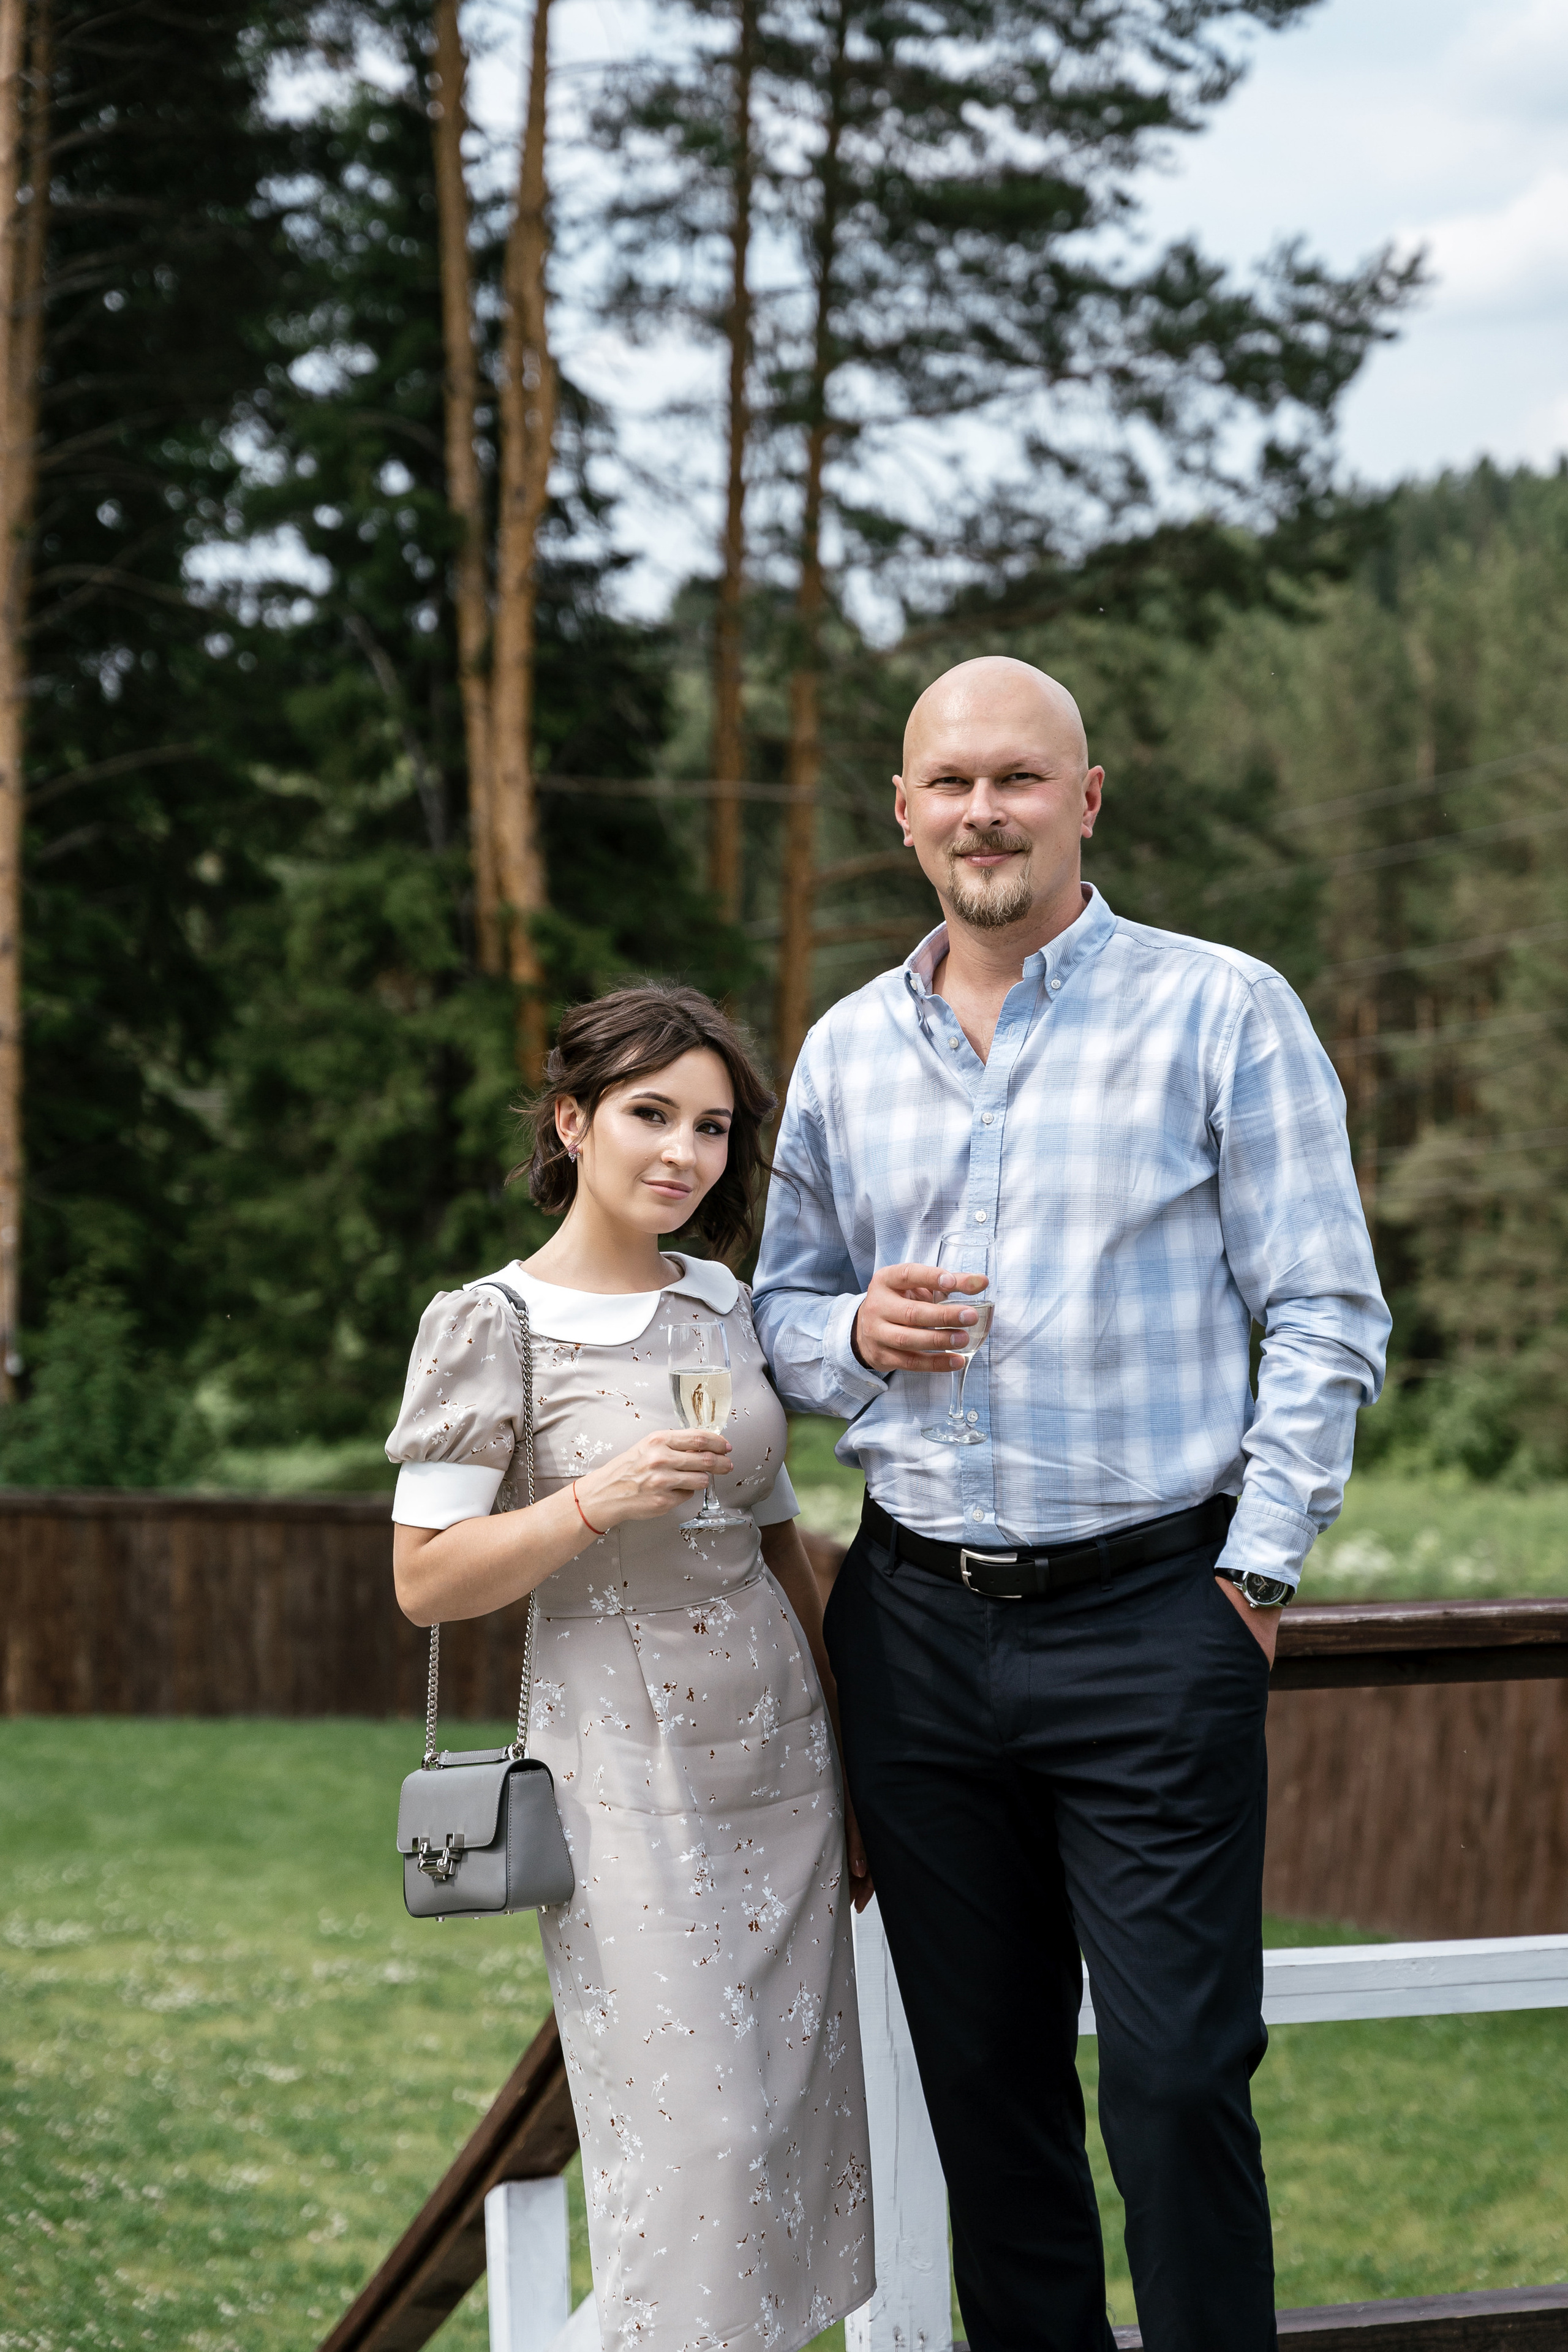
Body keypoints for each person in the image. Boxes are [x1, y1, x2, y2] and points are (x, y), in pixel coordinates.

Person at [752, 657, 1390, 2352]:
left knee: (1181, 2084)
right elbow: (778, 1311)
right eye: (950, 783)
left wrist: (1254, 1577)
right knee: (990, 2096)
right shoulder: (842, 1049)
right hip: (915, 1634)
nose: (984, 811)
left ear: (1086, 798)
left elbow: (1328, 1311)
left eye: (1018, 780)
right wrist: (851, 1335)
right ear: (902, 811)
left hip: (1156, 1620)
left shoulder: (1223, 1008)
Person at [388, 984, 873, 2352]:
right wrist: (592, 1501)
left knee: (788, 2135)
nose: (683, 1153)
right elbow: (425, 1580)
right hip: (619, 1768)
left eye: (713, 1127)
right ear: (571, 1121)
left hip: (782, 1760)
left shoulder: (728, 1302)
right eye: (649, 1114)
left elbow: (782, 1551)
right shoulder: (490, 1323)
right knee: (699, 2144)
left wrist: (855, 1770)